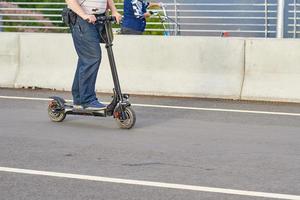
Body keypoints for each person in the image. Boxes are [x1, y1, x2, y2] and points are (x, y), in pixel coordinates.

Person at [65, 0, 122, 110]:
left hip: (99, 18)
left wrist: (114, 11)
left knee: (86, 59)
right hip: (82, 19)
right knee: (92, 57)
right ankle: (87, 100)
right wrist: (84, 15)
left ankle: (78, 97)